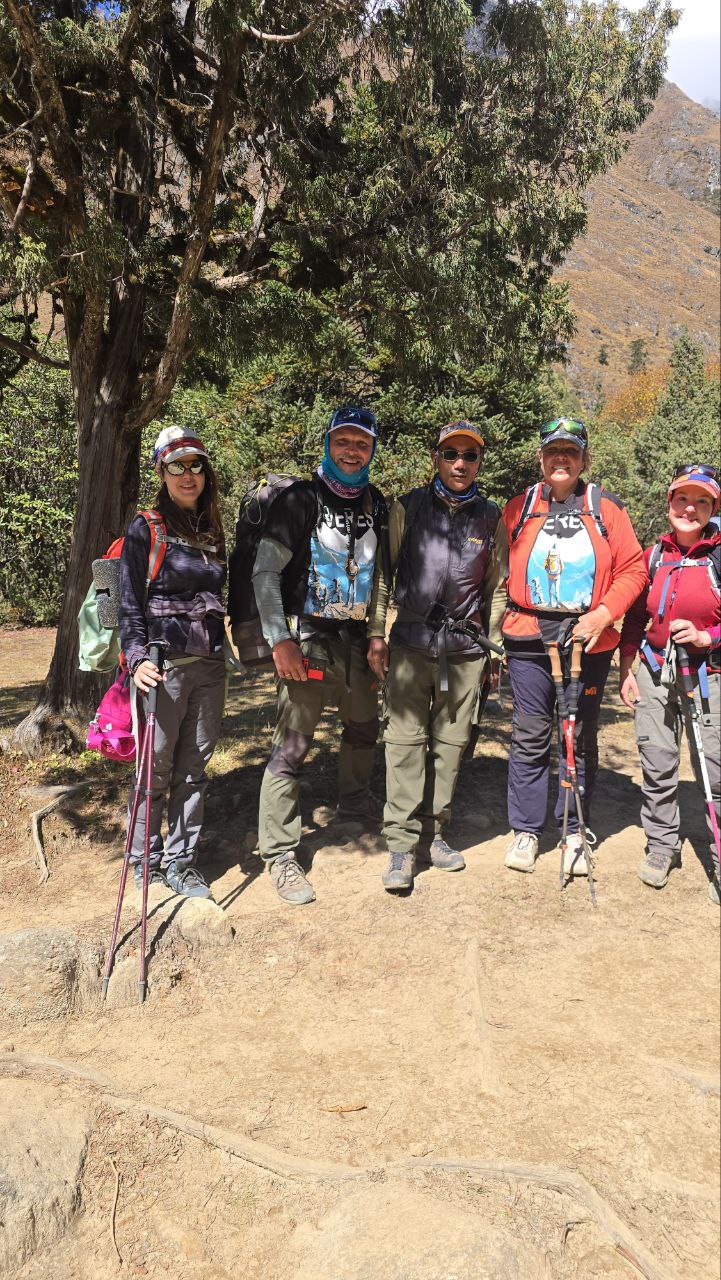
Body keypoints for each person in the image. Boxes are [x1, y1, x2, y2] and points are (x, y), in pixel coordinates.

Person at [499, 418, 647, 877]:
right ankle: (526, 829)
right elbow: (496, 569)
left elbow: (634, 570)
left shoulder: (606, 509)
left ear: (584, 459)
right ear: (540, 458)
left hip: (589, 640)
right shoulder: (518, 508)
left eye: (571, 451)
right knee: (530, 732)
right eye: (553, 451)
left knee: (577, 734)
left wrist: (604, 614)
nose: (560, 458)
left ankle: (573, 829)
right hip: (528, 637)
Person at [253, 407, 388, 905]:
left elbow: (380, 577)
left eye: (362, 443)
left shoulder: (376, 502)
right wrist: (279, 639)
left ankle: (354, 805)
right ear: (328, 443)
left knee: (362, 730)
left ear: (372, 450)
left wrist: (377, 635)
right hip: (306, 641)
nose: (352, 451)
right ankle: (279, 852)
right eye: (343, 441)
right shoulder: (300, 499)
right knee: (292, 746)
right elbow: (265, 572)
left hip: (356, 642)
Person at [367, 422, 503, 891]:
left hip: (465, 650)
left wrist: (493, 645)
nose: (460, 463)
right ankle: (401, 846)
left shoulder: (491, 516)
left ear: (479, 462)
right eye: (451, 454)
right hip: (410, 641)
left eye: (469, 455)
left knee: (450, 744)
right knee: (404, 742)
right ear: (436, 458)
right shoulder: (408, 507)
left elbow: (497, 586)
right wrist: (376, 633)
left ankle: (434, 833)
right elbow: (383, 574)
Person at [119, 425, 227, 899]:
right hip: (162, 666)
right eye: (176, 466)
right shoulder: (147, 526)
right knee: (155, 767)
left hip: (210, 663)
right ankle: (144, 859)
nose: (188, 475)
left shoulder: (213, 528)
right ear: (162, 472)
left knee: (194, 767)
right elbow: (129, 603)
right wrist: (136, 658)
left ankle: (182, 862)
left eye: (195, 465)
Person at [619, 465, 721, 899]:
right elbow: (635, 616)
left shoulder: (718, 555)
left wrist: (707, 637)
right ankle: (661, 846)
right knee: (657, 763)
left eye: (701, 501)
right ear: (670, 502)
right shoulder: (654, 556)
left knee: (714, 770)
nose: (690, 509)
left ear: (713, 508)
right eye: (682, 499)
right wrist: (627, 668)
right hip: (654, 670)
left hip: (708, 675)